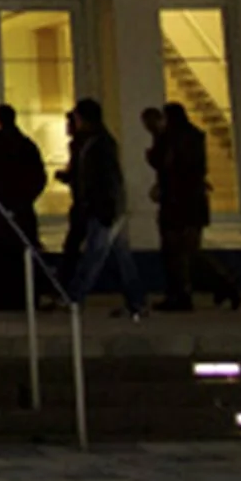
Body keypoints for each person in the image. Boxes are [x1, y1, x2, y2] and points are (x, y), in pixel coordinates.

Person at [59, 98, 149, 320]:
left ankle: (75, 297)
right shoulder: (95, 142)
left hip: (104, 209)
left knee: (95, 255)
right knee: (121, 258)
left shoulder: (98, 144)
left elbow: (105, 179)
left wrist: (103, 206)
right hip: (107, 207)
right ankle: (136, 302)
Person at [150, 102, 241, 313]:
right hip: (193, 202)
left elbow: (168, 165)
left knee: (175, 253)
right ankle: (220, 284)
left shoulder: (171, 138)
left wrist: (156, 145)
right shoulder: (194, 136)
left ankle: (185, 294)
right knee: (189, 252)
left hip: (177, 202)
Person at [0, 104, 48, 309]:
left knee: (2, 257)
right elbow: (39, 177)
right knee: (24, 253)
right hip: (22, 209)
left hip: (0, 209)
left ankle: (5, 297)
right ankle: (28, 296)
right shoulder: (26, 145)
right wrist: (26, 199)